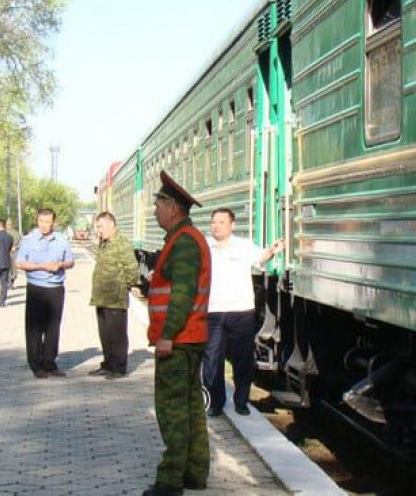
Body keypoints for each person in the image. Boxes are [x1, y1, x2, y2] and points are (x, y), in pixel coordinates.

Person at [143, 171, 211, 496]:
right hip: (191, 338)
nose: (155, 210)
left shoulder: (184, 243)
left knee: (172, 410)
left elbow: (182, 293)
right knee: (191, 407)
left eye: (158, 204)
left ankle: (170, 481)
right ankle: (195, 473)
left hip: (180, 339)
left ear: (172, 207)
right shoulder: (185, 239)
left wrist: (167, 335)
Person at [202, 209, 282, 417]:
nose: (216, 226)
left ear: (232, 225)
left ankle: (241, 401)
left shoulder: (244, 246)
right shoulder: (205, 247)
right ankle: (215, 402)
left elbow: (260, 259)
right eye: (214, 222)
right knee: (212, 359)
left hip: (241, 311)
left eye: (221, 222)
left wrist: (272, 251)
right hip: (213, 311)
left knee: (242, 359)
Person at [16, 208, 74, 379]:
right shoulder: (29, 240)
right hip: (36, 287)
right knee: (34, 328)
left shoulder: (62, 240)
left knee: (53, 327)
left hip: (56, 288)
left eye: (47, 222)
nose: (44, 225)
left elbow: (71, 262)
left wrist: (61, 264)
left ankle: (50, 362)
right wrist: (41, 267)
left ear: (53, 223)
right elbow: (20, 262)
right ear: (37, 221)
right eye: (41, 221)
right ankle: (36, 364)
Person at [89, 212, 139, 378]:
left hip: (116, 298)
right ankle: (108, 364)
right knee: (105, 333)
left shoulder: (121, 243)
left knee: (117, 335)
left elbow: (132, 269)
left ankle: (119, 367)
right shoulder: (105, 243)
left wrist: (124, 287)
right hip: (101, 298)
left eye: (101, 226)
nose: (99, 230)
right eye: (97, 227)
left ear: (112, 225)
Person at [5, 219, 21, 288]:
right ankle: (10, 282)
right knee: (9, 268)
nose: (8, 226)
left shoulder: (16, 233)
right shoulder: (5, 233)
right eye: (8, 224)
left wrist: (15, 247)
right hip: (8, 252)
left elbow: (21, 242)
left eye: (9, 224)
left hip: (12, 252)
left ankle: (11, 282)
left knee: (12, 268)